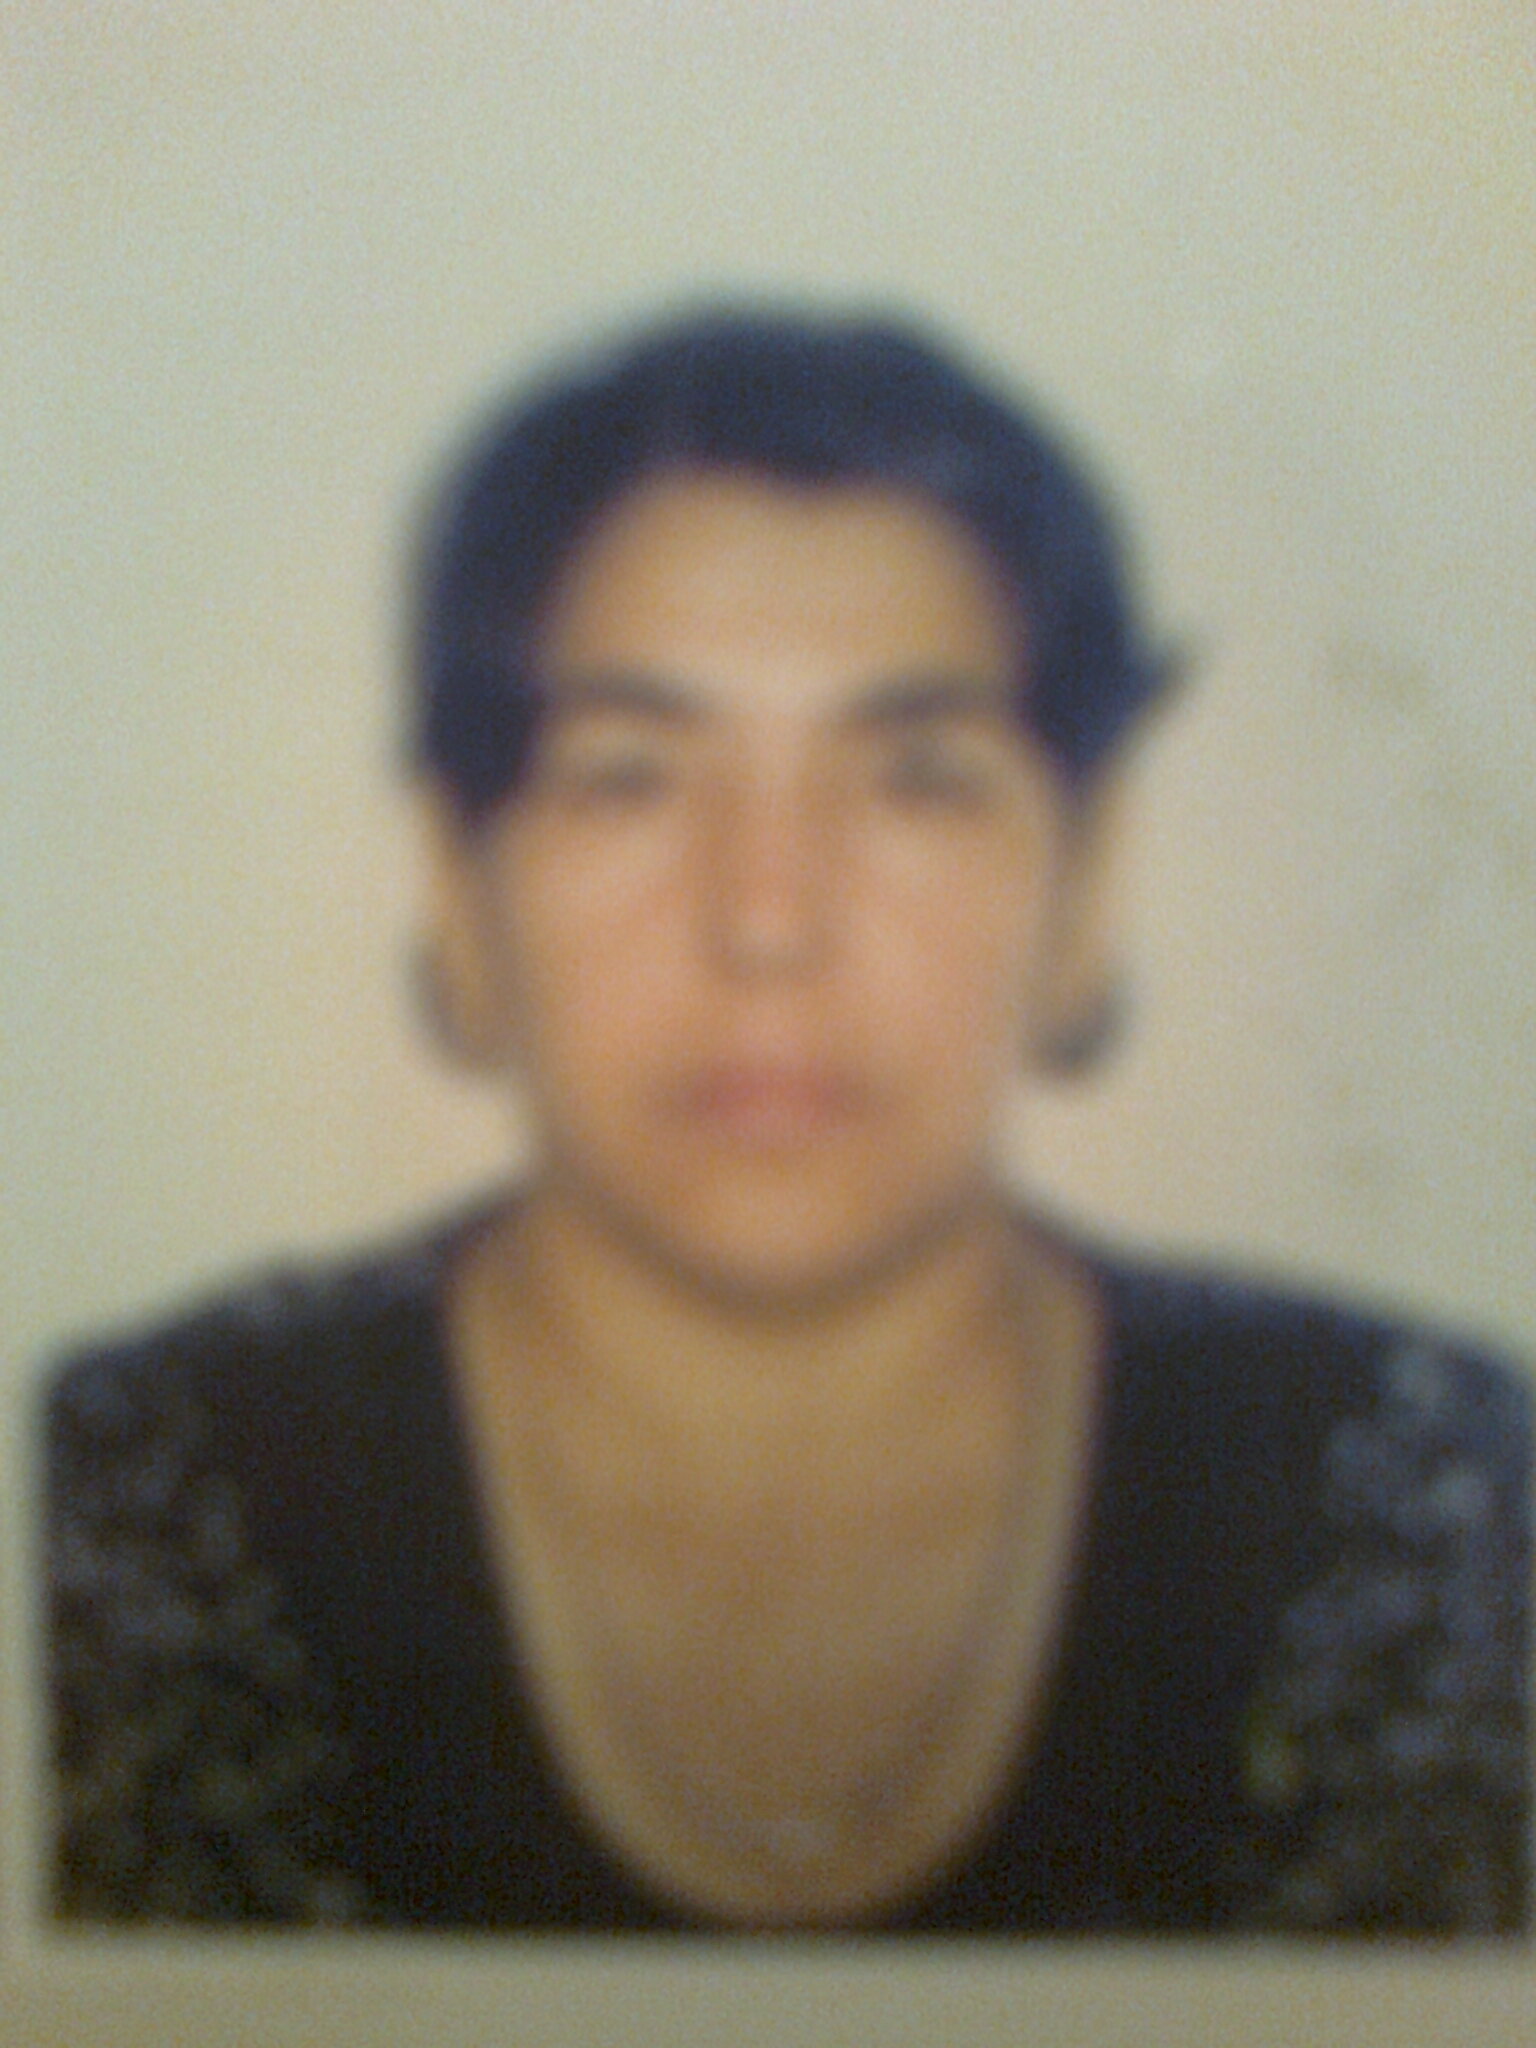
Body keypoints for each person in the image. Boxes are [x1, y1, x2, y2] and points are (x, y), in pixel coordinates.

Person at [45, 306, 1529, 1935]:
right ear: (460, 889)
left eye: (918, 777)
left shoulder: (1411, 1494)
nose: (767, 920)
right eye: (627, 775)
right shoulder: (142, 1497)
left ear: (1085, 882)